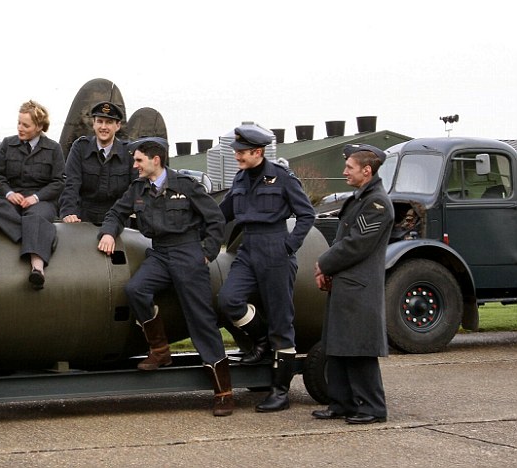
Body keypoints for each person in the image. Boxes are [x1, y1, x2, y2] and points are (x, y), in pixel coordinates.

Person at [97, 138, 232, 416]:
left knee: (200, 319)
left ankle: (223, 392)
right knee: (136, 289)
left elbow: (216, 219)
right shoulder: (138, 188)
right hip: (159, 253)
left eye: (139, 160)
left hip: (187, 253)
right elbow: (116, 212)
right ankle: (160, 349)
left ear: (155, 160)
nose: (135, 165)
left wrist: (206, 253)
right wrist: (109, 232)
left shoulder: (185, 185)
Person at [217, 123, 316, 413]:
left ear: (258, 152)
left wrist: (288, 246)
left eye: (242, 152)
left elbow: (307, 215)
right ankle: (260, 341)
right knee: (229, 300)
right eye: (236, 151)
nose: (237, 156)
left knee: (281, 322)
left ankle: (280, 392)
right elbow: (221, 214)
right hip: (248, 248)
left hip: (276, 248)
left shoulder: (282, 177)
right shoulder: (239, 179)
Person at [312, 144, 394, 424]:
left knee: (359, 348)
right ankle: (342, 403)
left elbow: (356, 244)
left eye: (350, 167)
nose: (344, 171)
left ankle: (372, 407)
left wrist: (324, 262)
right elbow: (343, 240)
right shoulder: (359, 199)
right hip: (346, 283)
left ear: (367, 170)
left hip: (360, 286)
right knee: (338, 345)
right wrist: (329, 270)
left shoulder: (377, 204)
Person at [0, 100, 64, 289]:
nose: (20, 128)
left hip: (40, 200)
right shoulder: (8, 144)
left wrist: (36, 198)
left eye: (25, 125)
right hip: (14, 199)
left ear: (39, 127)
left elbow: (59, 181)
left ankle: (37, 268)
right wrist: (9, 193)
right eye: (19, 123)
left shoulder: (53, 149)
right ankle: (38, 235)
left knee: (35, 217)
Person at [59, 101, 133, 225]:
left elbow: (134, 189)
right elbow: (71, 184)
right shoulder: (80, 148)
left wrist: (115, 221)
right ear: (93, 124)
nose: (103, 127)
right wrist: (69, 212)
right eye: (100, 121)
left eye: (109, 122)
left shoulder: (129, 152)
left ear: (118, 126)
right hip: (83, 217)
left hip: (118, 217)